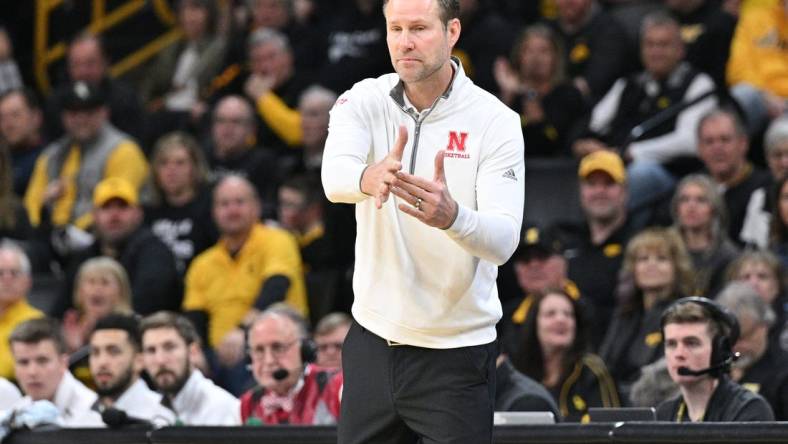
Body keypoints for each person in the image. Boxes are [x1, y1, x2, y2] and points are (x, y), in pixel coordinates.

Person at [321, 0, 525, 441]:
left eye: (418, 28)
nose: (404, 42)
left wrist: (454, 217)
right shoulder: (363, 100)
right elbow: (333, 180)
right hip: (373, 340)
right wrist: (367, 176)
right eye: (395, 29)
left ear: (452, 31)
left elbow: (504, 240)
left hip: (454, 353)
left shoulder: (496, 121)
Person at [572, 12, 717, 226]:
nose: (656, 52)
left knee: (639, 174)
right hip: (617, 165)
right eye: (650, 45)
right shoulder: (628, 85)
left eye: (664, 45)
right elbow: (593, 124)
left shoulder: (699, 84)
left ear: (681, 50)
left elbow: (689, 142)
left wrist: (630, 153)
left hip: (675, 173)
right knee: (597, 176)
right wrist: (583, 144)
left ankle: (607, 234)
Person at [182, 175, 306, 393]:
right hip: (216, 357)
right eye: (224, 204)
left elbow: (276, 286)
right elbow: (194, 317)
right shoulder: (202, 263)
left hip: (274, 348)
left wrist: (245, 332)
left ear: (256, 207)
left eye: (239, 202)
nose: (232, 210)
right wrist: (195, 351)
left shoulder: (277, 240)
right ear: (214, 212)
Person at [24, 81, 149, 232]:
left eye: (89, 112)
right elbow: (31, 205)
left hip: (103, 238)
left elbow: (119, 208)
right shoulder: (52, 154)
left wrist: (71, 233)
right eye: (74, 113)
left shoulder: (124, 151)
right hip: (51, 236)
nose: (81, 120)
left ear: (105, 112)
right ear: (63, 116)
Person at [550, 150, 638, 346]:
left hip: (614, 346)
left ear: (624, 191)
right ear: (581, 191)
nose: (600, 191)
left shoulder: (638, 244)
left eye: (608, 184)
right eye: (592, 184)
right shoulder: (563, 240)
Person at [62, 177, 181, 318]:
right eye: (106, 207)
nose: (114, 215)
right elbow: (61, 308)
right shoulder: (84, 257)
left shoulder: (155, 253)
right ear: (94, 215)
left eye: (122, 207)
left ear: (138, 213)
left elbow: (148, 303)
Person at [600, 227, 693, 396]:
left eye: (661, 259)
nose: (651, 265)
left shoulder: (686, 315)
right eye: (643, 259)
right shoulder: (624, 314)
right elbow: (604, 367)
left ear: (677, 267)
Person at [657, 296, 774, 421]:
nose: (679, 353)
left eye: (691, 343)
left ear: (718, 352)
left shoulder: (748, 409)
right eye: (671, 344)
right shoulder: (664, 413)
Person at [510, 289, 619, 422]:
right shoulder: (518, 372)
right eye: (550, 314)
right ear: (534, 324)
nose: (561, 319)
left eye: (568, 314)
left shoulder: (591, 369)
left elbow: (610, 426)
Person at [493, 24, 587, 157]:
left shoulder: (567, 94)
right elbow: (495, 140)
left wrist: (528, 93)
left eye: (544, 51)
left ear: (555, 58)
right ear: (519, 56)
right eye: (529, 51)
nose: (536, 58)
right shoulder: (510, 92)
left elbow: (548, 142)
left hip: (551, 168)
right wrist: (507, 96)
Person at [240, 305, 342, 425]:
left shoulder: (336, 386)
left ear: (305, 351)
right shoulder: (248, 404)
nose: (268, 360)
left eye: (278, 347)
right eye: (259, 350)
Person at [140, 311, 240, 425]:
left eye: (169, 347)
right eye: (151, 350)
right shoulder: (149, 410)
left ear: (193, 352)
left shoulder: (221, 407)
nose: (160, 360)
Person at [43, 33, 145, 142]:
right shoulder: (56, 103)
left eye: (90, 63)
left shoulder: (125, 99)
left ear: (106, 63)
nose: (83, 72)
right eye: (76, 64)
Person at [144, 131, 218, 275]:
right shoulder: (147, 213)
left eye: (180, 162)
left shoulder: (211, 209)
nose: (171, 170)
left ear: (195, 168)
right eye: (164, 163)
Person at [696, 108, 771, 246]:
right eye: (709, 141)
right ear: (699, 148)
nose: (717, 148)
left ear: (743, 143)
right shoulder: (691, 189)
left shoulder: (766, 188)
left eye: (725, 140)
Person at [8, 317, 102, 426]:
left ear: (63, 363)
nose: (32, 372)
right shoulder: (16, 412)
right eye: (23, 362)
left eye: (42, 361)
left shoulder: (92, 412)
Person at [717, 282, 788, 420]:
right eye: (728, 339)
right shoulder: (711, 368)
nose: (735, 346)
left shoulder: (783, 372)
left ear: (764, 326)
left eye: (742, 337)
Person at [88, 314, 176, 426]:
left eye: (114, 351)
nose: (102, 362)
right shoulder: (80, 413)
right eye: (95, 352)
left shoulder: (161, 418)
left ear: (139, 361)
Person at [670, 174, 739, 297]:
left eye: (701, 200)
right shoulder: (662, 247)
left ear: (714, 208)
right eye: (684, 199)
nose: (691, 206)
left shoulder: (728, 255)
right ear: (677, 207)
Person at [727, 0, 788, 135]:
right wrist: (765, 95)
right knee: (742, 94)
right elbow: (738, 69)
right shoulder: (754, 18)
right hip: (762, 96)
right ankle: (735, 149)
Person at [726, 250, 788, 353]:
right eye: (746, 277)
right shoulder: (723, 323)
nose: (753, 284)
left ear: (778, 285)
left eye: (762, 276)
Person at [0, 241, 43, 380]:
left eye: (14, 273)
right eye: (0, 273)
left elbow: (13, 369)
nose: (6, 279)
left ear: (28, 281)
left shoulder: (36, 321)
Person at [0, 88, 46, 197]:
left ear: (36, 117)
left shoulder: (54, 156)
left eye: (15, 115)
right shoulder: (3, 160)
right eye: (1, 118)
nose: (8, 124)